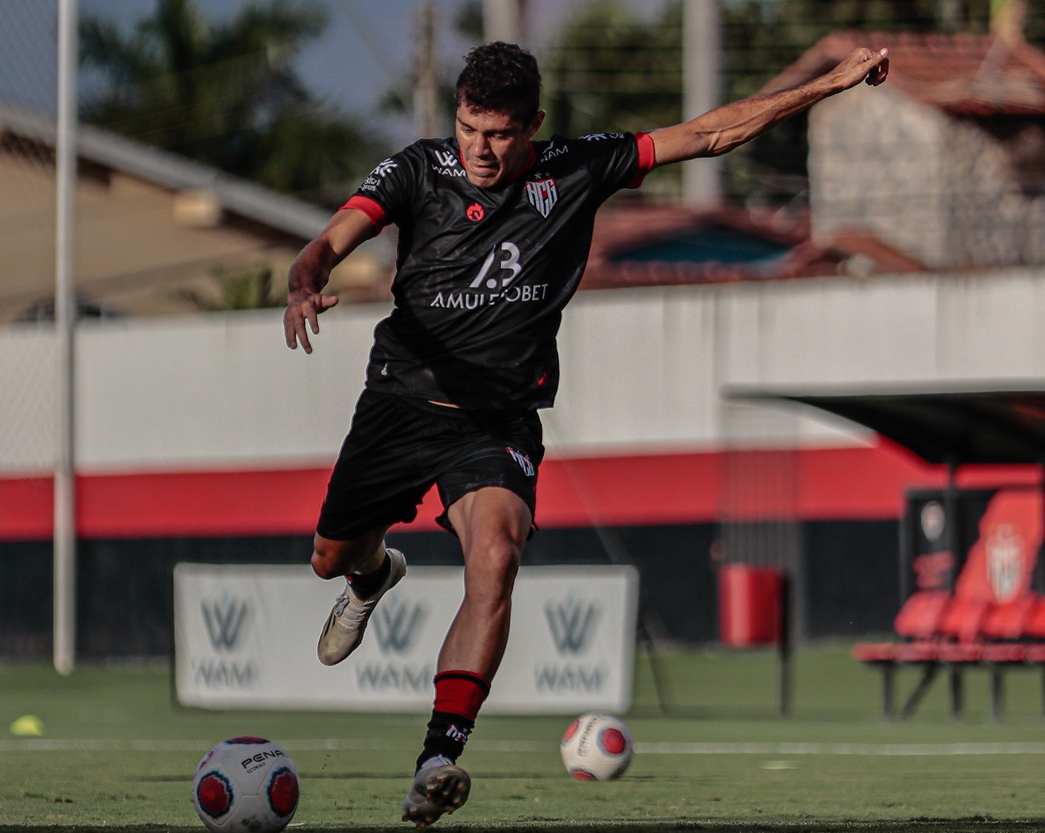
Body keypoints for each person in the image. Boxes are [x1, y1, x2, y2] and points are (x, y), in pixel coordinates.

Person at [284, 40, 889, 830]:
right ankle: (370, 577)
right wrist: (305, 281)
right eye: (469, 127)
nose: (479, 147)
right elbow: (332, 239)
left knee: (495, 559)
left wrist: (827, 84)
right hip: (401, 402)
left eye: (498, 133)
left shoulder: (579, 166)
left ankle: (439, 755)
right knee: (330, 556)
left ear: (533, 125)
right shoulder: (417, 170)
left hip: (498, 422)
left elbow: (708, 134)